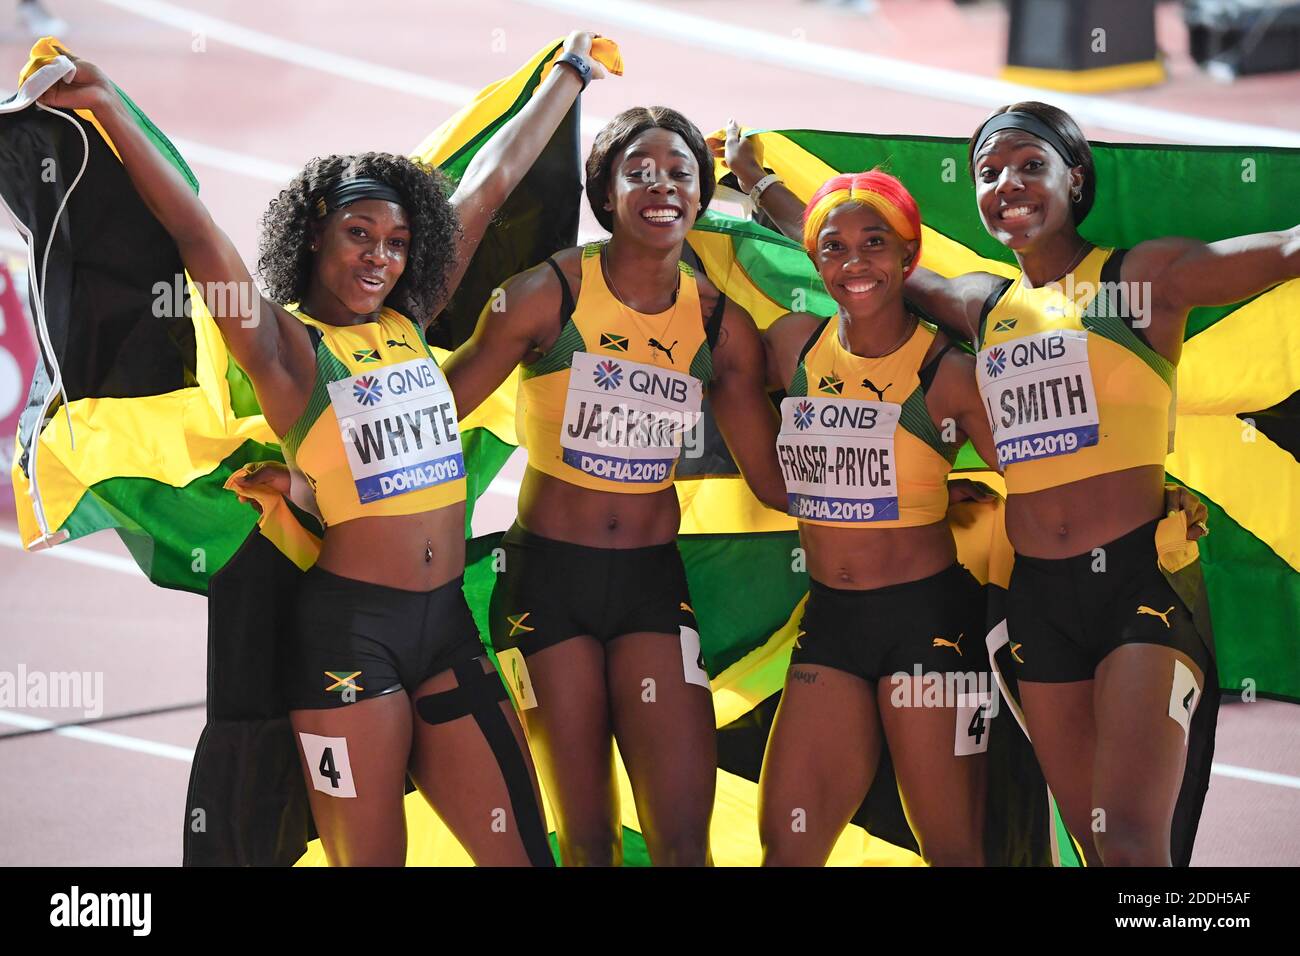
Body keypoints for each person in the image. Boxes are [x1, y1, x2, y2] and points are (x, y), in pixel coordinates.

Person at [39, 32, 610, 867]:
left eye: (397, 242)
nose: (380, 257)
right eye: (359, 234)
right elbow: (199, 236)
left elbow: (487, 189)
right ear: (313, 235)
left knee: (523, 854)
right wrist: (110, 106)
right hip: (350, 642)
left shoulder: (408, 324)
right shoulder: (289, 354)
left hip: (446, 628)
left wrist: (568, 75)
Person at [714, 104, 1293, 866]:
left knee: (1129, 838)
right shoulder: (981, 306)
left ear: (1073, 177)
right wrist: (758, 184)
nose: (1007, 184)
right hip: (1038, 605)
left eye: (1029, 165)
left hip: (1138, 584)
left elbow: (1283, 250)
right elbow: (860, 257)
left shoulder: (1140, 280)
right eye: (989, 173)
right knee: (1091, 840)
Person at [440, 106, 788, 866]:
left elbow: (775, 482)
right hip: (545, 584)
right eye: (639, 171)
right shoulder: (544, 295)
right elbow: (437, 412)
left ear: (701, 198)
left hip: (650, 588)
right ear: (604, 193)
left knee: (681, 840)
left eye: (680, 172)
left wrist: (912, 483)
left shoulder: (721, 327)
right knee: (587, 837)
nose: (660, 185)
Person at [757, 171, 998, 866]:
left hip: (930, 627)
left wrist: (1148, 508)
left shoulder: (948, 372)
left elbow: (1040, 474)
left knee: (953, 849)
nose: (855, 262)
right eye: (833, 247)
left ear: (910, 256)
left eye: (876, 243)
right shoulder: (792, 346)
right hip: (831, 623)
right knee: (788, 846)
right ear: (815, 259)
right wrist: (753, 180)